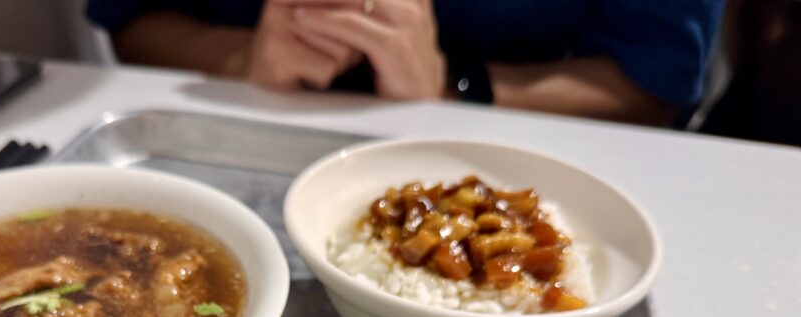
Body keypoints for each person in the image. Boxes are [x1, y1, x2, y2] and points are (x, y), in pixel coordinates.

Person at [86, 0, 724, 126]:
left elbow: (650, 87)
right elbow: (135, 21)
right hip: (235, 124)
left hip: (510, 144)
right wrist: (241, 53)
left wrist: (454, 87)